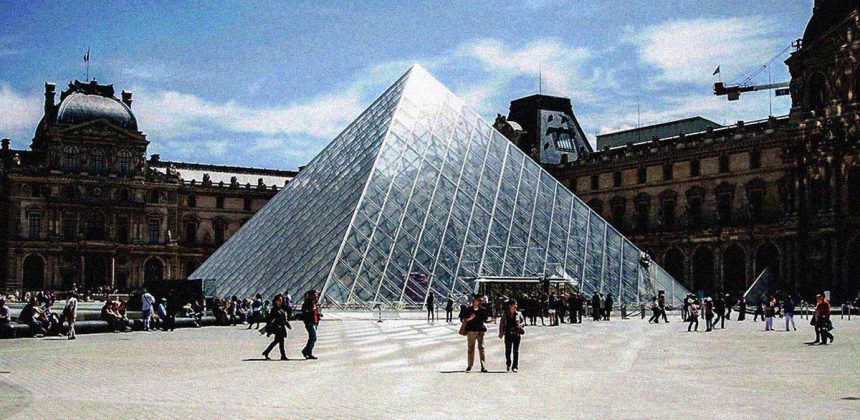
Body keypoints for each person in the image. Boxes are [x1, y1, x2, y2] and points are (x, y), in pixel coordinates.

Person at [462, 294, 490, 373]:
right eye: (478, 300)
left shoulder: (483, 309)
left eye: (480, 301)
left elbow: (485, 319)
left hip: (480, 331)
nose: (479, 302)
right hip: (471, 331)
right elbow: (463, 320)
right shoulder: (468, 310)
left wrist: (491, 321)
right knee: (471, 349)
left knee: (481, 348)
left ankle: (483, 366)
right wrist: (469, 318)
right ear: (474, 300)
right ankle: (470, 365)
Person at [498, 300, 525, 373]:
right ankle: (508, 364)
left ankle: (515, 366)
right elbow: (502, 323)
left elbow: (523, 322)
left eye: (516, 305)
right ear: (510, 306)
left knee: (515, 351)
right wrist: (501, 332)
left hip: (516, 334)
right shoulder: (505, 314)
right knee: (508, 351)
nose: (515, 306)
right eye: (514, 305)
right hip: (508, 334)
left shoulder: (519, 314)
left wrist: (521, 325)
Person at [262, 294, 291, 360]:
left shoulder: (281, 309)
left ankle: (266, 352)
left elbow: (284, 319)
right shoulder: (274, 309)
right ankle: (283, 355)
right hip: (277, 328)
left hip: (281, 327)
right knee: (281, 342)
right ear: (275, 301)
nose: (280, 301)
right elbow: (270, 319)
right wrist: (268, 328)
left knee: (276, 341)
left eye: (281, 300)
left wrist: (287, 324)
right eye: (279, 300)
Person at [301, 290, 322, 360]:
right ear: (310, 296)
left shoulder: (315, 303)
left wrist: (318, 315)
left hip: (315, 322)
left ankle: (309, 353)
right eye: (314, 295)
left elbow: (315, 312)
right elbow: (305, 313)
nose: (316, 296)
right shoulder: (307, 304)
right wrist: (311, 310)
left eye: (316, 295)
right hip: (310, 323)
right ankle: (305, 351)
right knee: (313, 337)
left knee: (314, 338)